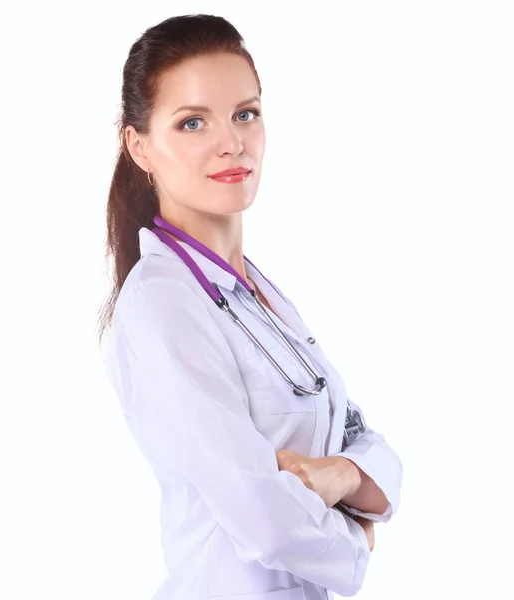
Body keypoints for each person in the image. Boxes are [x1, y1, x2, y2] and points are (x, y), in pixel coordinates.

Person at [98, 13, 403, 600]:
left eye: (246, 113)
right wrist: (358, 541)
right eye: (192, 122)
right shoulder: (163, 304)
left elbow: (366, 439)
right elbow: (264, 520)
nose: (232, 141)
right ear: (139, 146)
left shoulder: (256, 293)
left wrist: (344, 473)